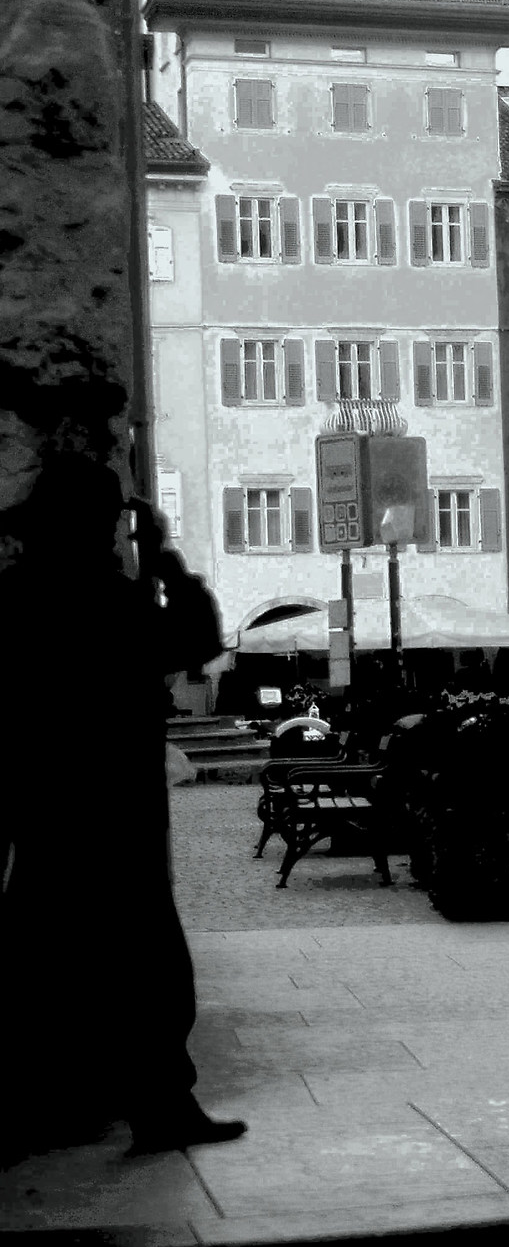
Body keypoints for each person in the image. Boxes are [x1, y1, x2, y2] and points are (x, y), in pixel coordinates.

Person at [0, 452, 245, 1159]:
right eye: (107, 520)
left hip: (45, 812)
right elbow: (199, 637)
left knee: (36, 962)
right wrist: (165, 559)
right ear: (95, 524)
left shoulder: (16, 594)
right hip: (117, 812)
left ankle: (40, 1107)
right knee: (149, 974)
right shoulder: (109, 599)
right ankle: (160, 1103)